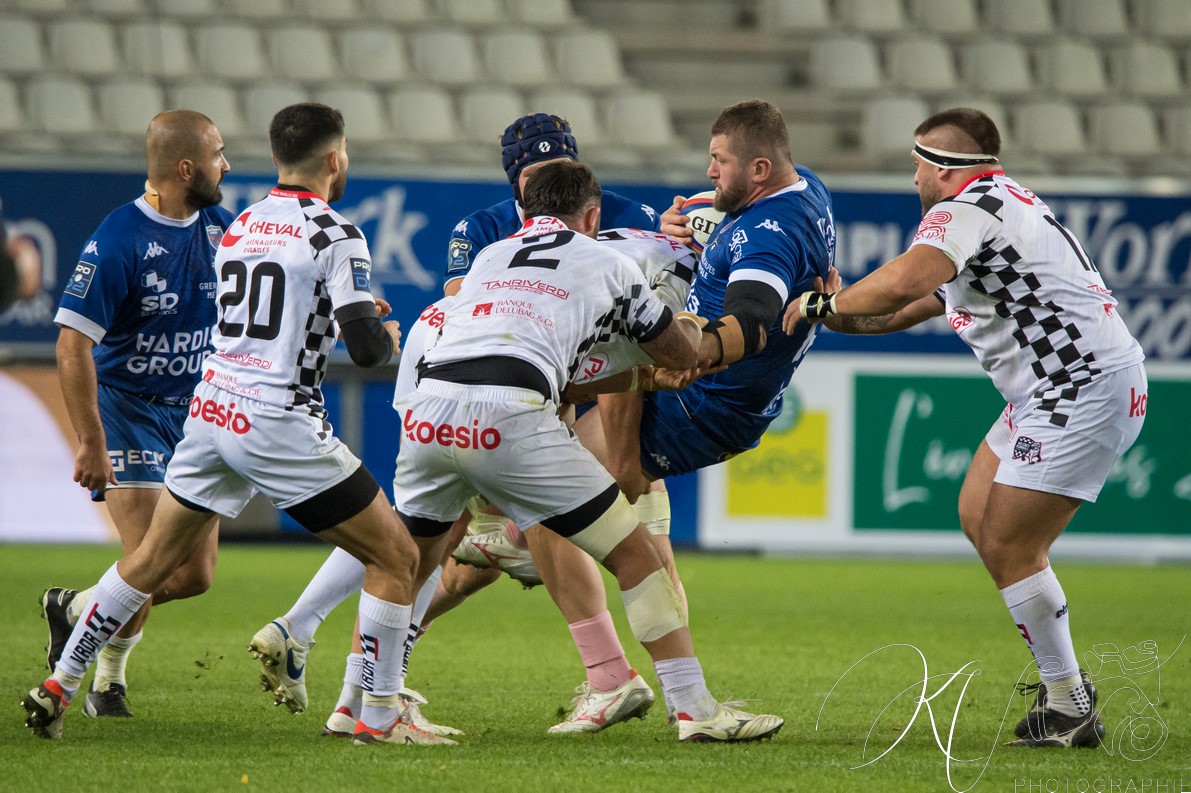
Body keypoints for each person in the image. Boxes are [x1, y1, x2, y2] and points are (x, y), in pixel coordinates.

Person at [21, 102, 448, 748]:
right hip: (273, 421)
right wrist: (379, 334)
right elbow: (364, 350)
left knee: (156, 564)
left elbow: (261, 318)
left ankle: (59, 683)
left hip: (209, 412)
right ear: (335, 158)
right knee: (396, 553)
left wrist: (328, 314)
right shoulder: (337, 233)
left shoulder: (242, 224)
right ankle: (378, 715)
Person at [783, 107, 1146, 749]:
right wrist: (832, 317)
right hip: (1055, 388)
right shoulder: (1003, 205)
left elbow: (906, 279)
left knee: (1010, 544)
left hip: (1079, 384)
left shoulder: (967, 208)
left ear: (943, 169)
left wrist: (822, 303)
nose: (915, 177)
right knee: (978, 513)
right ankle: (1067, 692)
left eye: (921, 164)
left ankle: (1069, 703)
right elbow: (908, 305)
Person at [392, 159, 781, 743]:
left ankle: (364, 700)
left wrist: (641, 378)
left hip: (429, 403)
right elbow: (674, 358)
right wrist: (687, 353)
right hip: (508, 413)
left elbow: (567, 375)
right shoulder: (619, 264)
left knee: (404, 564)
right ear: (593, 216)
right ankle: (694, 709)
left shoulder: (491, 258)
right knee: (637, 556)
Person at [39, 110, 233, 719]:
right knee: (147, 557)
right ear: (186, 167)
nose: (226, 165)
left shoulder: (221, 228)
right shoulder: (119, 237)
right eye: (218, 154)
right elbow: (72, 346)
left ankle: (74, 609)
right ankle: (106, 682)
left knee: (192, 575)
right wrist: (89, 441)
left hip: (192, 418)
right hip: (129, 411)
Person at [443, 112, 658, 297]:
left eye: (558, 170)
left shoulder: (631, 217)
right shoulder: (481, 230)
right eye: (534, 174)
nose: (548, 183)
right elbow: (456, 302)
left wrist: (674, 237)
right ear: (515, 184)